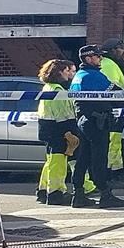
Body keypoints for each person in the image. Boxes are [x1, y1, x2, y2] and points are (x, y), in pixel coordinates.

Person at [69, 46, 124, 209]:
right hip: (97, 121)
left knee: (84, 157)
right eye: (97, 56)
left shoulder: (79, 76)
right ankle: (105, 193)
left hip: (83, 120)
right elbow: (117, 93)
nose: (100, 59)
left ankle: (78, 194)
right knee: (99, 158)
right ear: (88, 59)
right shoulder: (93, 75)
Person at [35, 59, 79, 206]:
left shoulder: (47, 87)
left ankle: (43, 191)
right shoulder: (58, 91)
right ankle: (56, 193)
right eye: (66, 71)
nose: (69, 74)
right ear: (59, 73)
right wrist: (68, 132)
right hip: (59, 130)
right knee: (58, 163)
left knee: (51, 162)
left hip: (48, 128)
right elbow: (63, 114)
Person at [98, 39, 124, 191]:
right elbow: (111, 88)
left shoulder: (111, 64)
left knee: (115, 144)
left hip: (117, 110)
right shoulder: (108, 64)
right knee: (112, 145)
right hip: (114, 111)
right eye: (121, 49)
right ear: (112, 51)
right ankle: (112, 175)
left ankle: (114, 173)